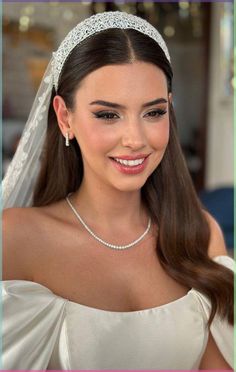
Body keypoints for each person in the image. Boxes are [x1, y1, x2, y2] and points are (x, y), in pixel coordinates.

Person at [2, 10, 234, 370]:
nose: (135, 140)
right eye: (108, 115)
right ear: (65, 117)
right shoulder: (17, 237)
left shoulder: (200, 235)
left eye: (153, 112)